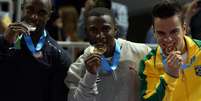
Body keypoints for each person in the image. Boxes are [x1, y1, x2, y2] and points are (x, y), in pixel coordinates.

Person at [65, 7, 151, 101]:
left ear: (115, 30)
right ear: (86, 33)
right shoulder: (79, 66)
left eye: (105, 29)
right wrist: (90, 75)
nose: (100, 35)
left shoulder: (142, 53)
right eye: (93, 30)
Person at [0, 0, 71, 101]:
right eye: (30, 10)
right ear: (22, 9)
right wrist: (4, 42)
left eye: (41, 13)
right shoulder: (6, 42)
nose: (34, 17)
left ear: (49, 16)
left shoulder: (57, 55)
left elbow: (59, 96)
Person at [139, 0, 201, 101]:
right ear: (154, 33)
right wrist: (170, 76)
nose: (168, 39)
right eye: (161, 33)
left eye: (174, 32)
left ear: (184, 29)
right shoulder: (148, 63)